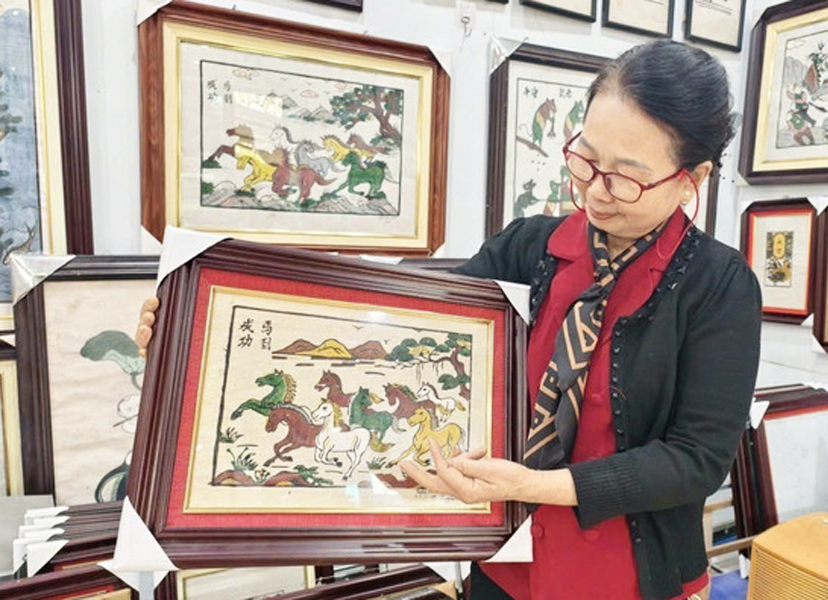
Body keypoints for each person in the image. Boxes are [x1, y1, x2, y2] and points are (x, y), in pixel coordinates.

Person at [137, 39, 760, 600]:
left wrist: (533, 486)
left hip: (630, 581)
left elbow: (695, 460)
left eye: (626, 179)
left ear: (692, 179)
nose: (595, 191)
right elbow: (402, 327)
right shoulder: (529, 248)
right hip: (502, 569)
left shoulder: (718, 286)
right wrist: (193, 337)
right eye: (585, 161)